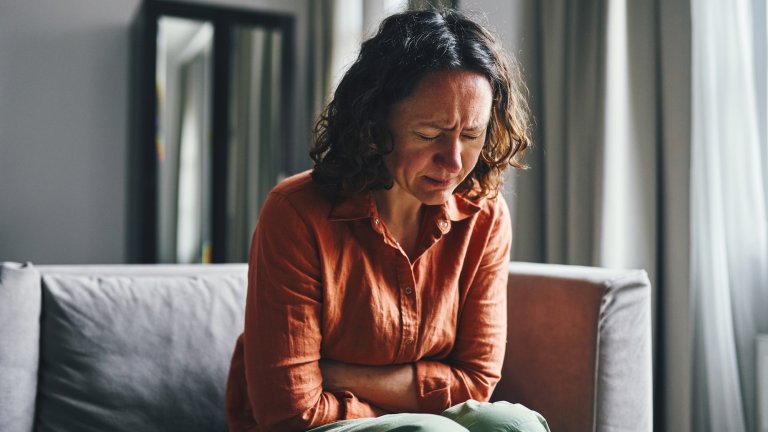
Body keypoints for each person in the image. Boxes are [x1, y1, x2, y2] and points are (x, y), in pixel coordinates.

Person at [225, 8, 550, 432]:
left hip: (408, 418)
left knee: (514, 424)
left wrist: (340, 375)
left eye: (472, 135)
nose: (453, 162)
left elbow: (476, 382)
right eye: (430, 135)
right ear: (375, 126)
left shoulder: (484, 216)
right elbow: (291, 412)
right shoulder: (296, 212)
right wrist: (415, 413)